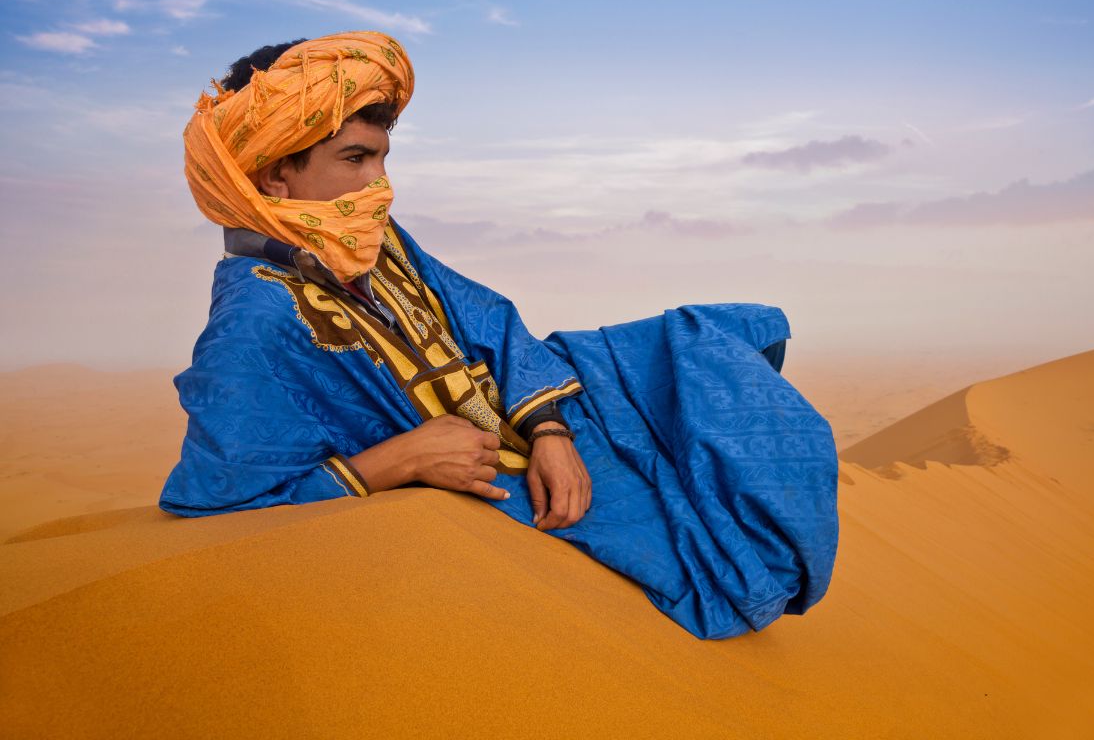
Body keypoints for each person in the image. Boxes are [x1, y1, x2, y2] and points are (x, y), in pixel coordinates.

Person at [161, 31, 839, 640]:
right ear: (275, 173)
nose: (381, 185)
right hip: (483, 484)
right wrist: (402, 460)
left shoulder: (364, 234)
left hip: (528, 411)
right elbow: (224, 515)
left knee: (713, 340)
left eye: (384, 159)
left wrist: (550, 431)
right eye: (356, 158)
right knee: (730, 563)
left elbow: (484, 319)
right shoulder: (253, 321)